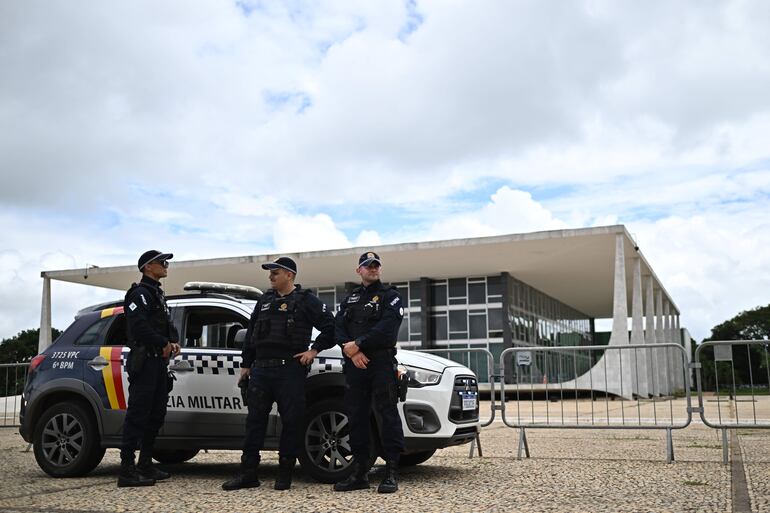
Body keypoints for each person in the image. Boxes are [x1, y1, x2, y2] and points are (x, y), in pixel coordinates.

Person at [223, 256, 335, 491]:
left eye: (275, 272)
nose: (270, 276)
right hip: (262, 370)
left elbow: (332, 327)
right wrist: (246, 364)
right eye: (270, 273)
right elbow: (251, 333)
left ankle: (284, 476)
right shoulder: (264, 300)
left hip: (289, 371)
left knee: (291, 423)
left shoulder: (306, 301)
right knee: (254, 423)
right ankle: (248, 474)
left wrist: (314, 350)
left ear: (289, 275)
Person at [333, 251, 405, 494]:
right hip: (356, 365)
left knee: (387, 415)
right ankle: (360, 472)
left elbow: (387, 329)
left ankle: (392, 472)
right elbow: (338, 328)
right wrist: (352, 352)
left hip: (381, 363)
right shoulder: (350, 299)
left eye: (376, 265)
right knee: (356, 417)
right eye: (367, 265)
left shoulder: (390, 296)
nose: (372, 268)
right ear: (359, 270)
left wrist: (359, 344)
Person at [118, 250, 181, 488]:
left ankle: (145, 464)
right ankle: (126, 469)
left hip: (158, 363)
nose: (166, 265)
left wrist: (172, 342)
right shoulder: (139, 294)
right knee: (138, 415)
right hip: (144, 361)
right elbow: (139, 327)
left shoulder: (157, 295)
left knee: (156, 415)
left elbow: (167, 325)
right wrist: (163, 343)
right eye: (162, 262)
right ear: (147, 267)